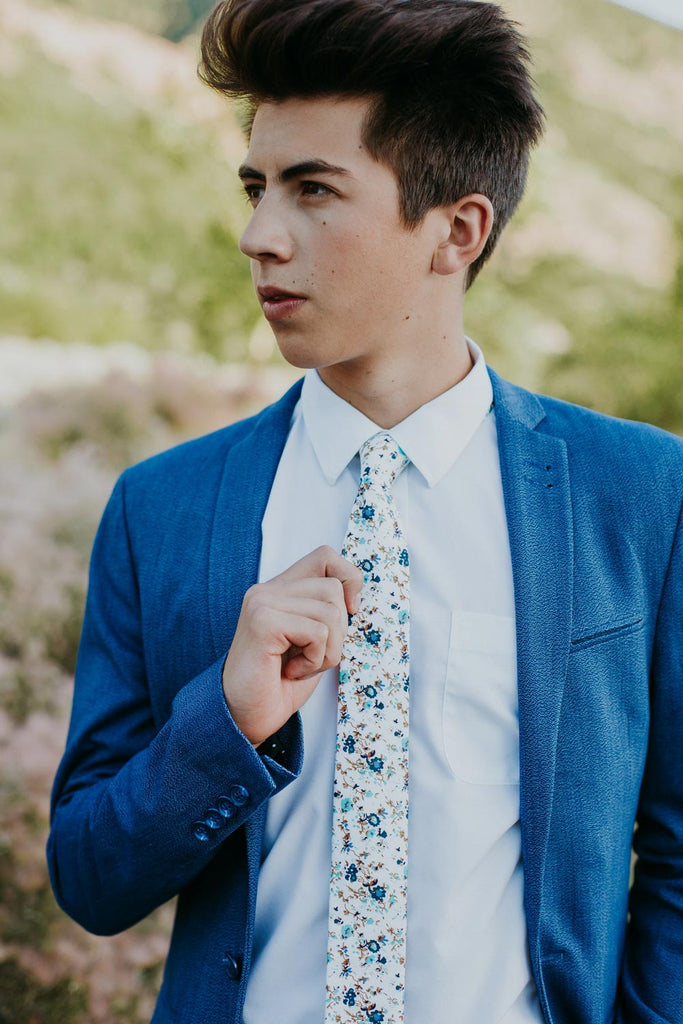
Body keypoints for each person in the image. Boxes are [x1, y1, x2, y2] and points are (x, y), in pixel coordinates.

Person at [47, 1, 683, 1022]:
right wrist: (227, 720)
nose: (258, 236)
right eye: (255, 188)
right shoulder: (159, 507)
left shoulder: (642, 492)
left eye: (313, 190)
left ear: (457, 230)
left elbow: (677, 850)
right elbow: (89, 876)